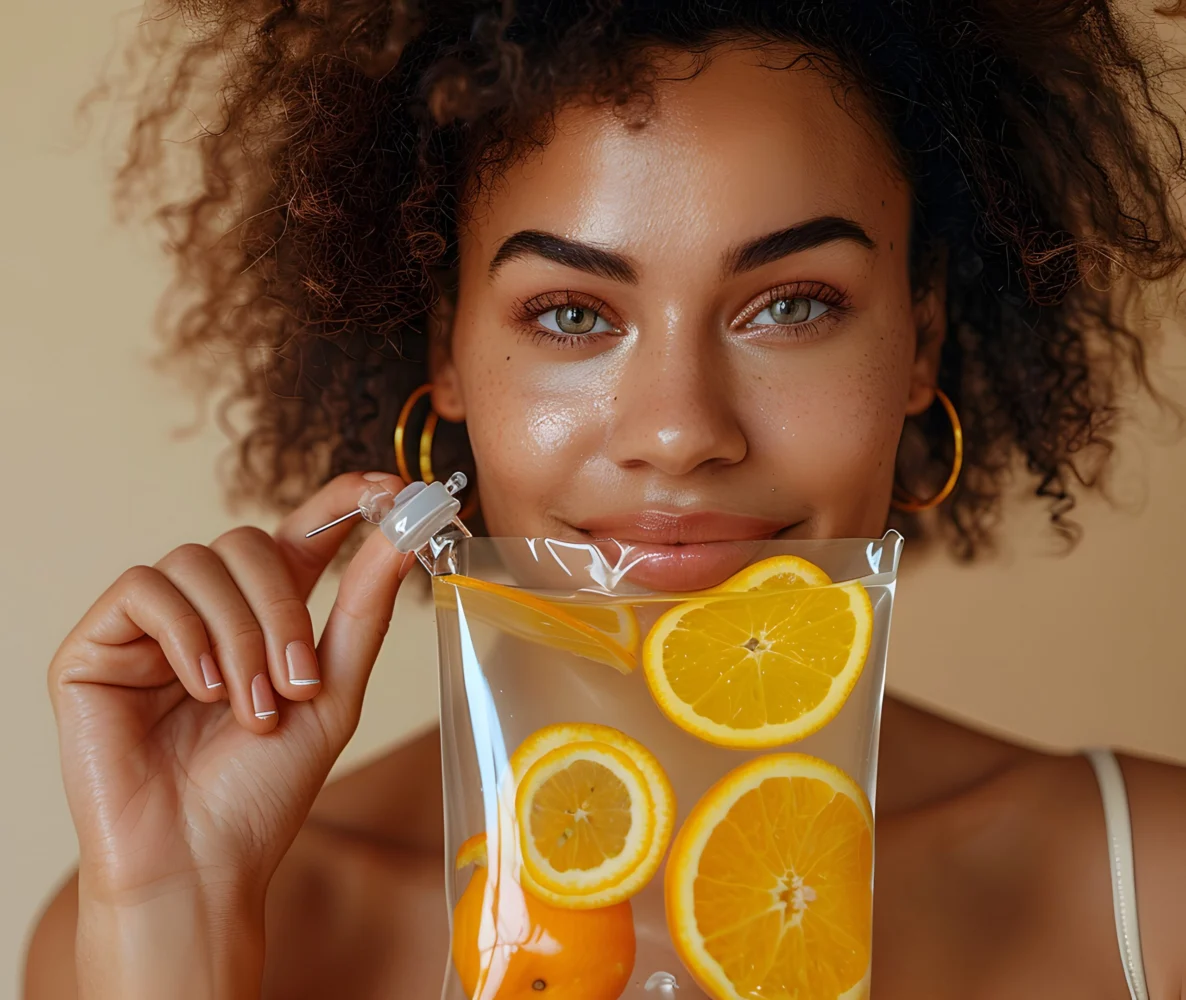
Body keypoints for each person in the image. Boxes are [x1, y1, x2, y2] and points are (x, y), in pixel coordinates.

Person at [23, 1, 1186, 997]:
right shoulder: (201, 914)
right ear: (449, 346)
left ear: (919, 334)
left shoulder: (1151, 893)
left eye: (791, 305)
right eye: (573, 314)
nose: (680, 431)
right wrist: (175, 922)